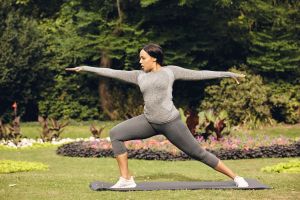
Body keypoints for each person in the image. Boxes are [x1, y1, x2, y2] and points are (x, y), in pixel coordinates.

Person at [66, 43, 249, 189]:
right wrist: (86, 68)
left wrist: (227, 74)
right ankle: (126, 179)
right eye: (140, 58)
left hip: (171, 123)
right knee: (116, 134)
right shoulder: (138, 76)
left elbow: (199, 74)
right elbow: (112, 73)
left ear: (154, 59)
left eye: (143, 58)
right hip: (149, 121)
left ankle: (236, 177)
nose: (140, 61)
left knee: (199, 153)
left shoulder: (170, 72)